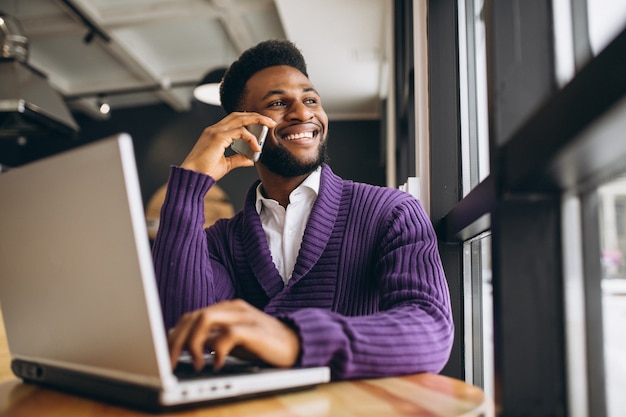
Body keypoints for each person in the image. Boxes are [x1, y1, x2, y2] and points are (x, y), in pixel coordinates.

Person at [152, 39, 454, 380]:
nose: (303, 112)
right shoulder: (221, 241)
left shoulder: (393, 212)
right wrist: (189, 185)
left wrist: (295, 338)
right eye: (279, 102)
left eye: (310, 99)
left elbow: (430, 330)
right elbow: (183, 327)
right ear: (244, 128)